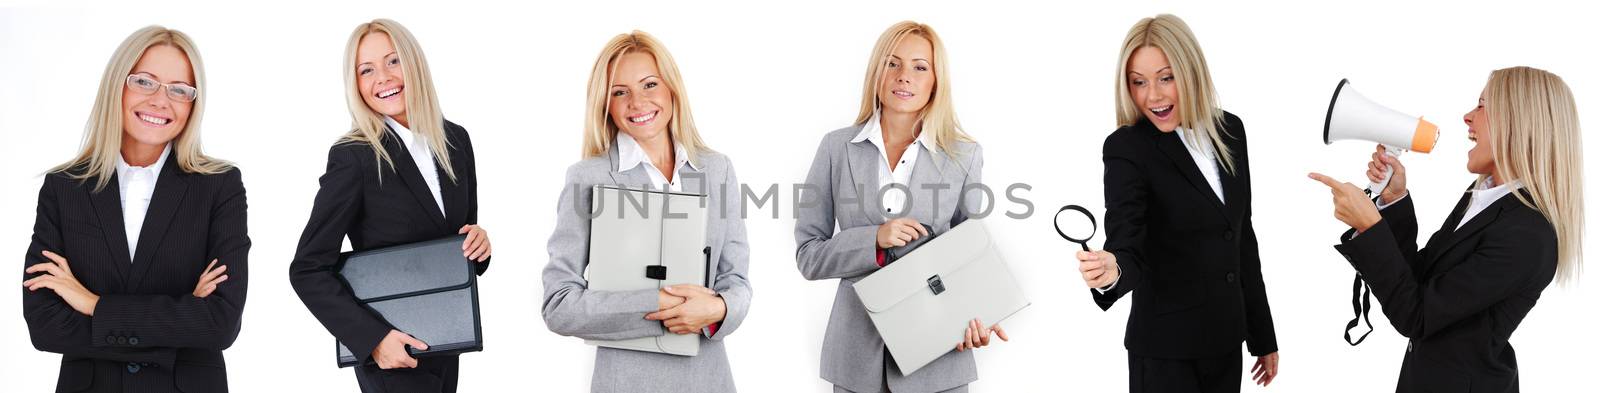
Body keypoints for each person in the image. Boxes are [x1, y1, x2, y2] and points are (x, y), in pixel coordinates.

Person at [1309, 66, 1583, 393]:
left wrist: (1370, 226)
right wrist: (1393, 202)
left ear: (1521, 121)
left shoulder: (1528, 233)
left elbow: (1417, 315)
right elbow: (1418, 281)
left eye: (1482, 106)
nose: (1468, 117)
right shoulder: (1483, 198)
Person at [22, 25, 248, 393]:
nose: (161, 100)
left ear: (193, 104)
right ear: (118, 86)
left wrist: (92, 304)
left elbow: (220, 323)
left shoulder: (219, 185)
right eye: (145, 82)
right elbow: (44, 324)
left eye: (179, 90)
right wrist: (179, 320)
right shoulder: (64, 187)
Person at [1075, 14, 1279, 393]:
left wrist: (1262, 336)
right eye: (1138, 83)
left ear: (1191, 72)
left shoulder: (1230, 130)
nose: (1152, 96)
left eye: (1166, 78)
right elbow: (1127, 241)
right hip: (1164, 355)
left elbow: (1241, 237)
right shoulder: (1127, 148)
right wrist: (1112, 270)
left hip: (1224, 344)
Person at [794, 21, 1000, 393]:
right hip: (857, 361)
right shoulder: (835, 149)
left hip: (938, 356)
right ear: (877, 72)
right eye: (893, 64)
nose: (904, 77)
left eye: (920, 67)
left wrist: (980, 317)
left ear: (936, 81)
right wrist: (874, 239)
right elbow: (809, 255)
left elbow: (973, 257)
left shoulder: (964, 156)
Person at [541, 30, 752, 393]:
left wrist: (718, 309)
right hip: (627, 382)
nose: (637, 102)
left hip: (709, 380)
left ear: (672, 89)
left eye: (649, 84)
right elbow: (559, 305)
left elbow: (738, 283)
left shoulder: (717, 170)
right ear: (605, 104)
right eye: (619, 92)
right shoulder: (587, 178)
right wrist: (656, 304)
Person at [288, 18, 491, 393]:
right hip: (391, 356)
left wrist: (479, 244)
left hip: (448, 342)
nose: (382, 77)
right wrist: (373, 340)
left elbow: (458, 244)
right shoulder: (355, 156)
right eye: (367, 69)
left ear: (414, 64)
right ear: (356, 84)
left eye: (393, 61)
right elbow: (307, 269)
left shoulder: (455, 141)